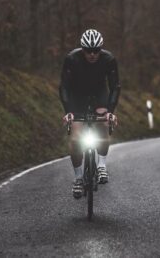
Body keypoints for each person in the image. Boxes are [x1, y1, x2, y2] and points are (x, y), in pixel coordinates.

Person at [59, 29, 121, 199]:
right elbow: (64, 86)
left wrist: (110, 111)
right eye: (88, 51)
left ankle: (101, 165)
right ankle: (78, 178)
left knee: (103, 123)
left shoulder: (109, 60)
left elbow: (115, 87)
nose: (92, 54)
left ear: (101, 49)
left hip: (99, 97)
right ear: (82, 49)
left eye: (96, 51)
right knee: (75, 138)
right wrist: (68, 112)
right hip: (77, 98)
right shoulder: (72, 59)